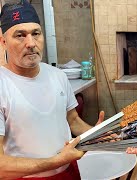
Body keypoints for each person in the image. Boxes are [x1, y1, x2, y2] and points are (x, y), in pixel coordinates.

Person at [0, 1, 104, 179]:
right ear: (3, 42)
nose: (31, 43)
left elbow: (73, 121)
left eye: (36, 33)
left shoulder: (58, 76)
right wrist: (56, 160)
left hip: (69, 172)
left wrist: (96, 135)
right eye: (20, 35)